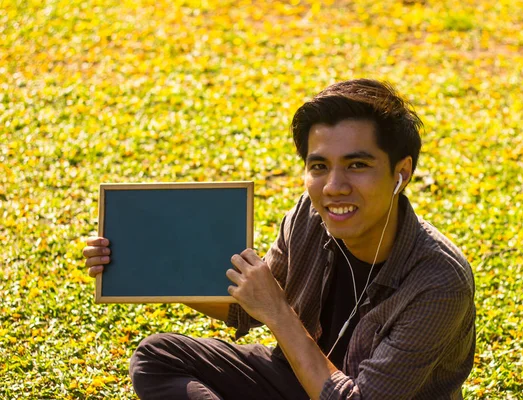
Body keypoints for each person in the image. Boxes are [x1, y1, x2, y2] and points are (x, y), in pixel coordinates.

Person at [83, 79, 476, 399]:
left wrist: (278, 312)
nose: (334, 187)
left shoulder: (439, 280)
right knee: (158, 356)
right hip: (297, 380)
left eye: (357, 165)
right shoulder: (309, 214)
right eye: (319, 166)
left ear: (400, 173)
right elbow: (247, 309)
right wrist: (141, 263)